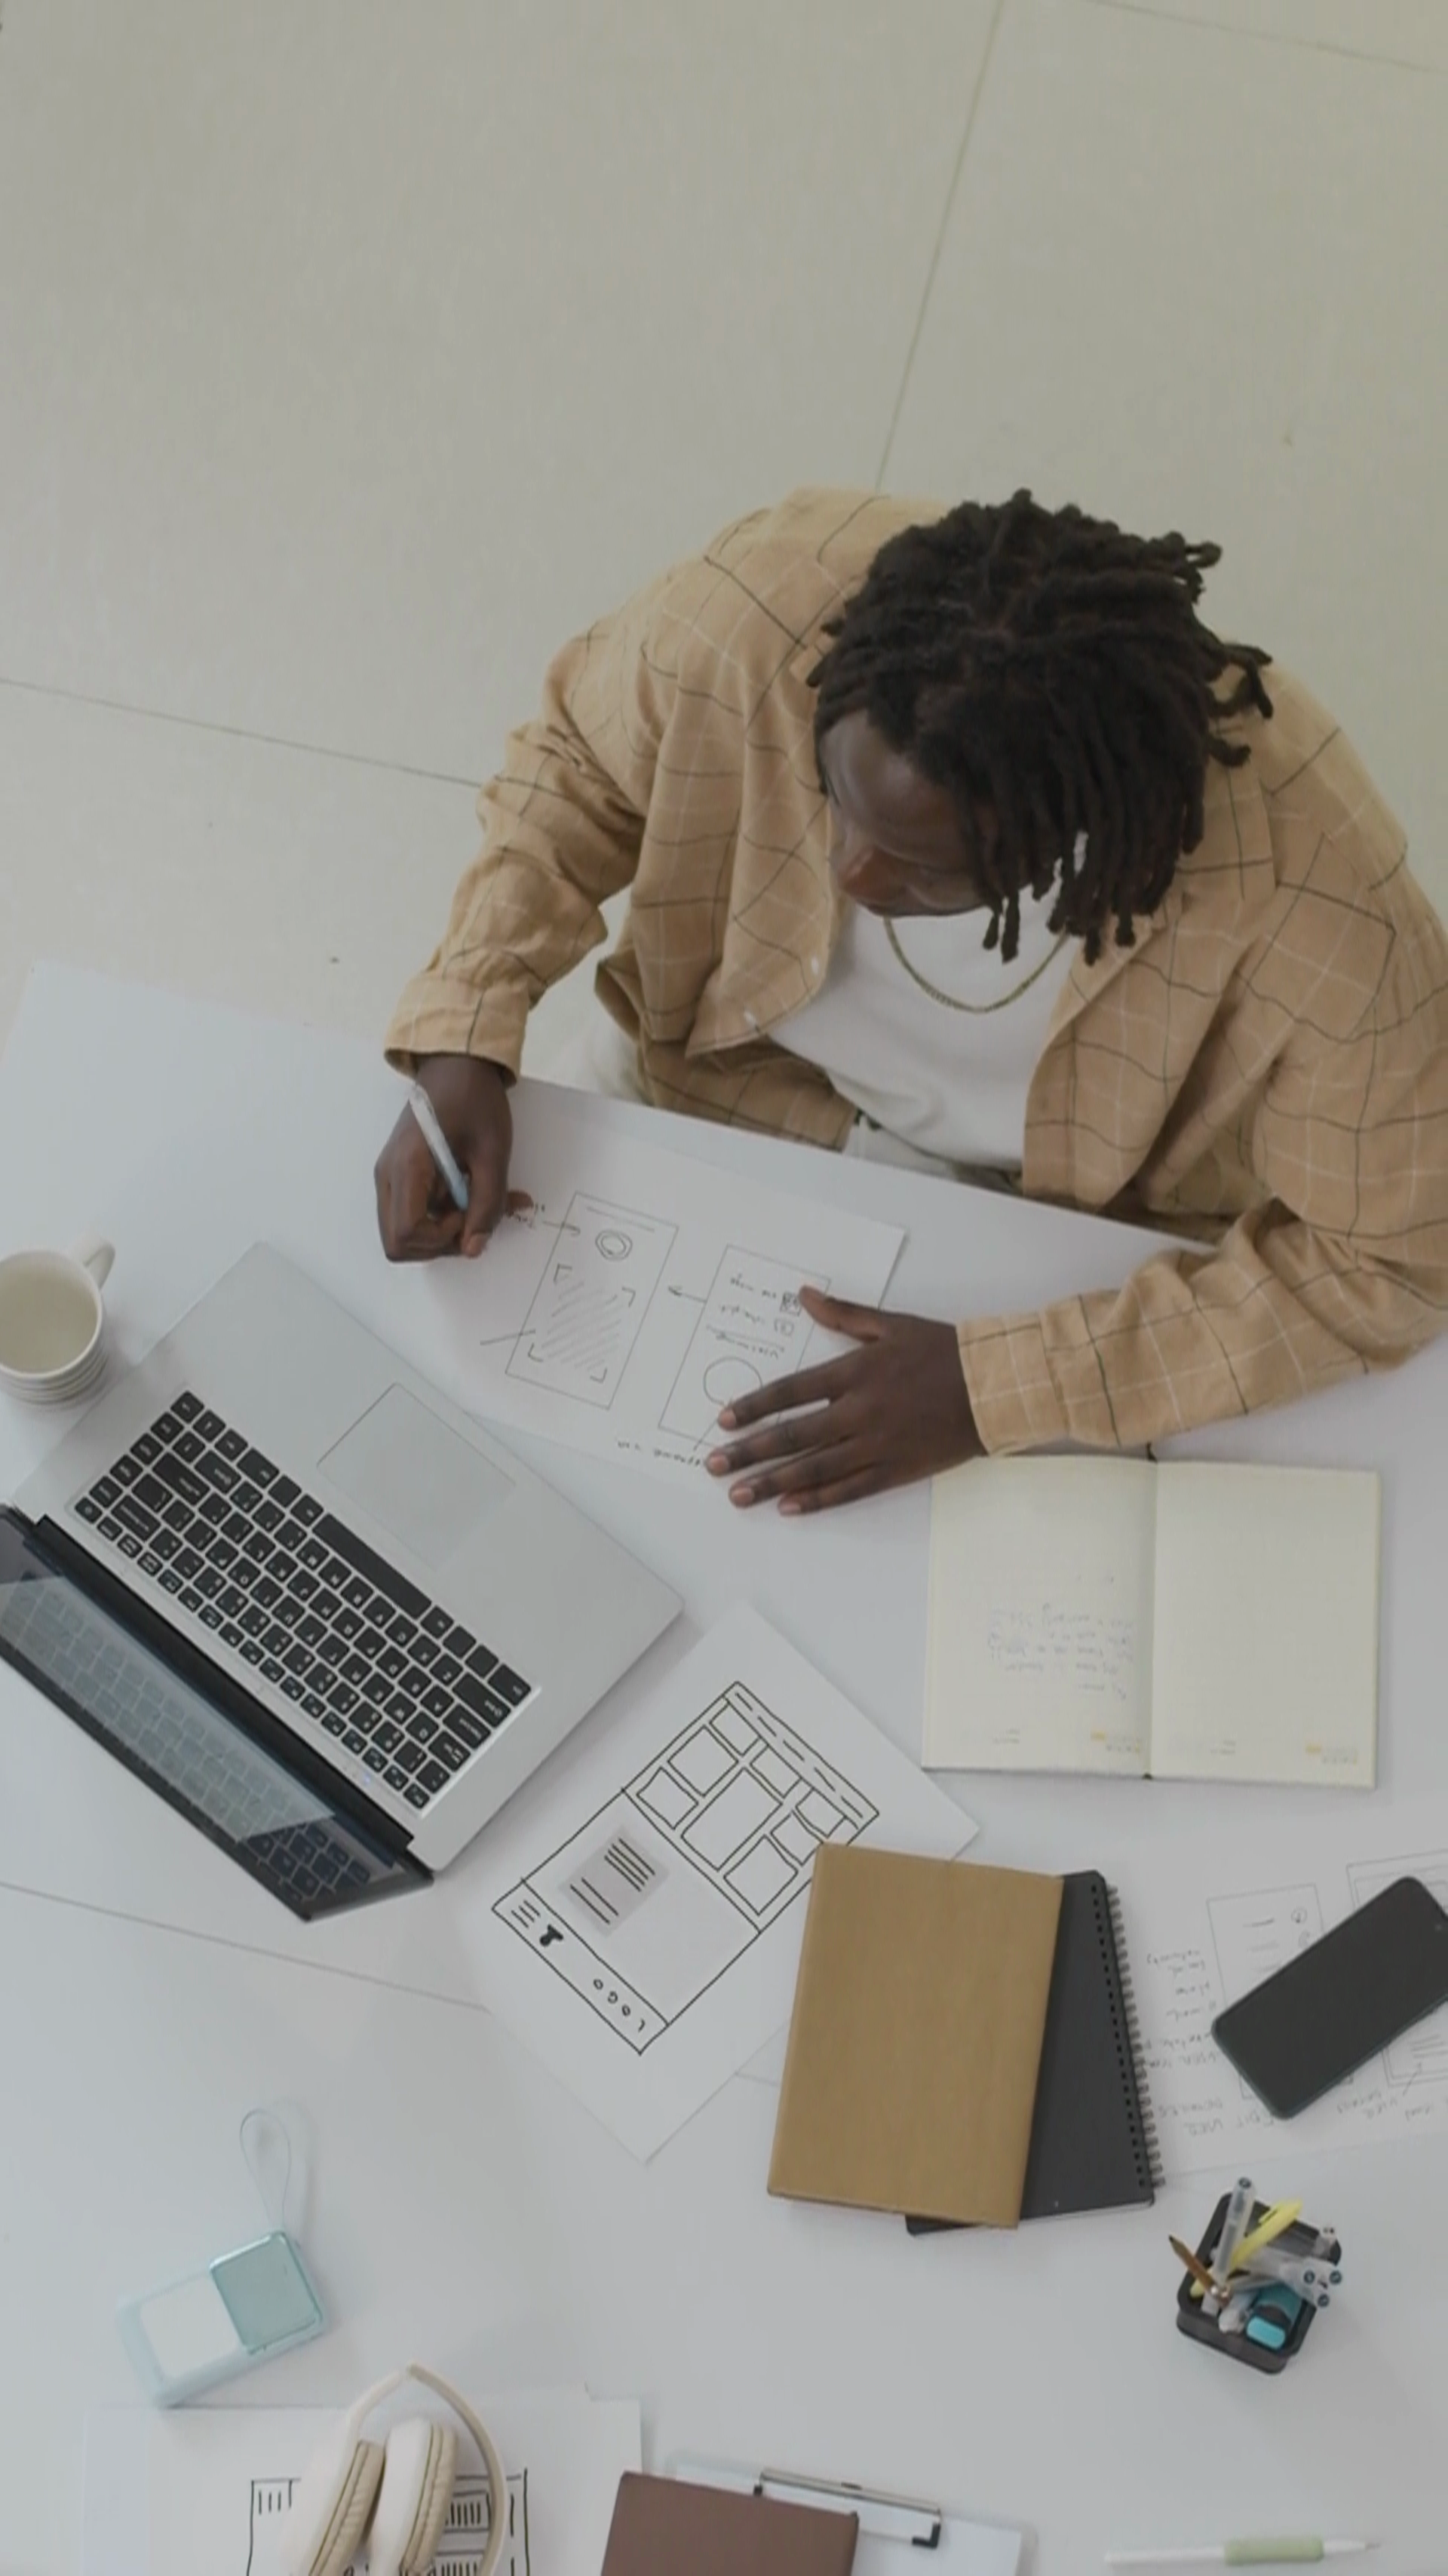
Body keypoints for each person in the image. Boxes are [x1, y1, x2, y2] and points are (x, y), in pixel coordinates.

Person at [374, 486, 1448, 1512]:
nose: (851, 873)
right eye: (838, 798)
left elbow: (1399, 1262)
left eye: (929, 869)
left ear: (1066, 834)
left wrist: (996, 1390)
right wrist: (467, 1025)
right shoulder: (752, 618)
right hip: (713, 1080)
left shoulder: (1317, 904)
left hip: (1057, 1228)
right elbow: (579, 762)